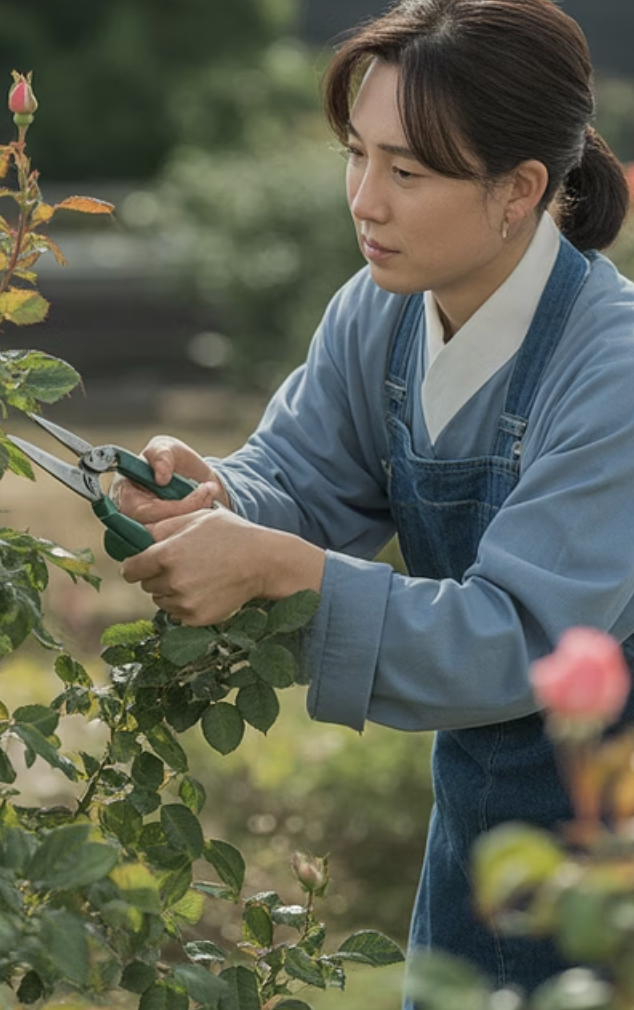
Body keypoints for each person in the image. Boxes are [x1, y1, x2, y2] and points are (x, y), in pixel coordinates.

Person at [114, 0, 634, 998]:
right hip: (479, 825)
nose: (365, 200)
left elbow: (515, 636)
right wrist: (210, 493)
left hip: (609, 857)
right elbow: (299, 478)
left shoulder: (612, 369)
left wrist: (284, 570)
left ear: (520, 189)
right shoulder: (378, 312)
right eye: (356, 155)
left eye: (407, 171)